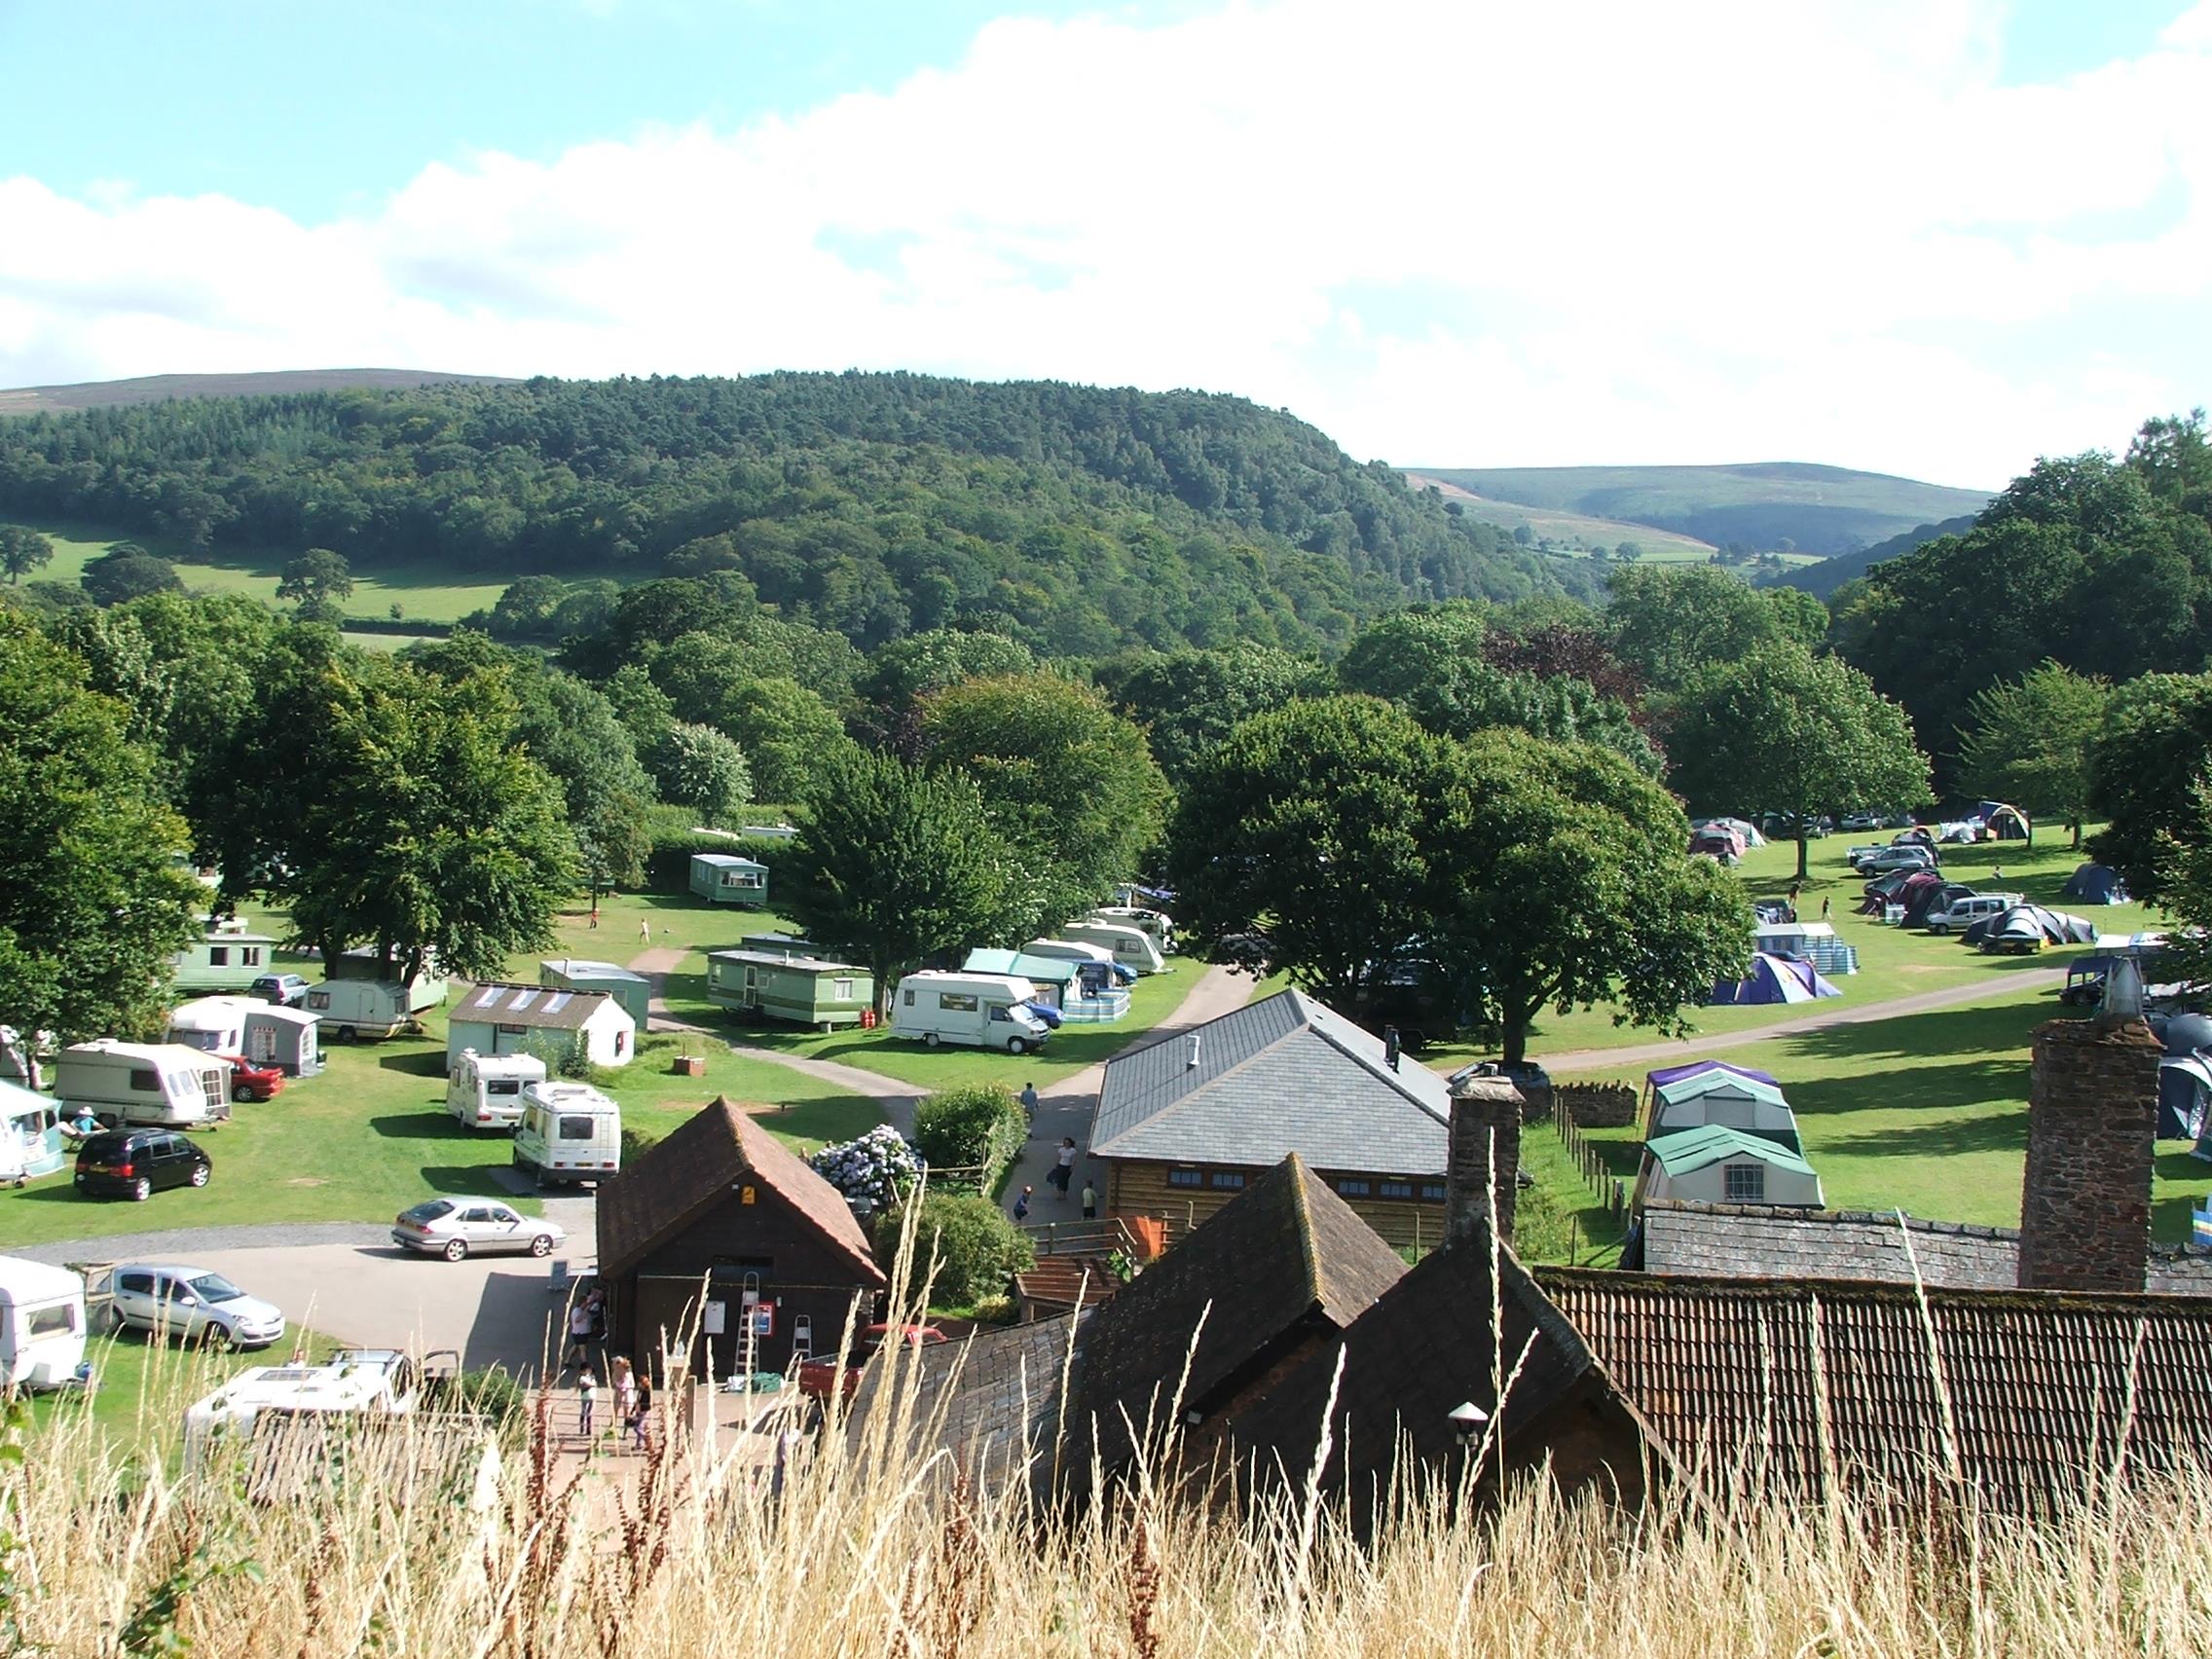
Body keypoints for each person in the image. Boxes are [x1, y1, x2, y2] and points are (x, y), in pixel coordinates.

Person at [565, 1297, 594, 1369]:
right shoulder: (577, 1311)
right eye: (585, 1303)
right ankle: (585, 1365)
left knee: (575, 1347)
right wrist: (586, 1311)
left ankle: (567, 1361)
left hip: (582, 1333)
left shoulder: (581, 1310)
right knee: (583, 1349)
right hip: (579, 1333)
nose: (586, 1305)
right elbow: (577, 1320)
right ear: (582, 1303)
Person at [627, 1371, 652, 1453]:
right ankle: (639, 1444)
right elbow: (637, 1401)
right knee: (639, 1427)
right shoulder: (640, 1391)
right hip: (639, 1411)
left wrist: (641, 1409)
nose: (639, 1384)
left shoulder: (647, 1391)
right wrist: (632, 1410)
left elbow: (646, 1402)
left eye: (640, 1383)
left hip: (644, 1411)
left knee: (638, 1428)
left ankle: (647, 1440)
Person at [576, 1369, 598, 1446]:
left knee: (589, 1413)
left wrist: (592, 1384)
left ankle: (589, 1429)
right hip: (585, 1397)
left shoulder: (592, 1377)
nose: (588, 1371)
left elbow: (594, 1384)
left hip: (592, 1396)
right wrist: (592, 1384)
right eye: (586, 1370)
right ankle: (582, 1428)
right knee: (583, 1412)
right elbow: (587, 1385)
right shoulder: (582, 1378)